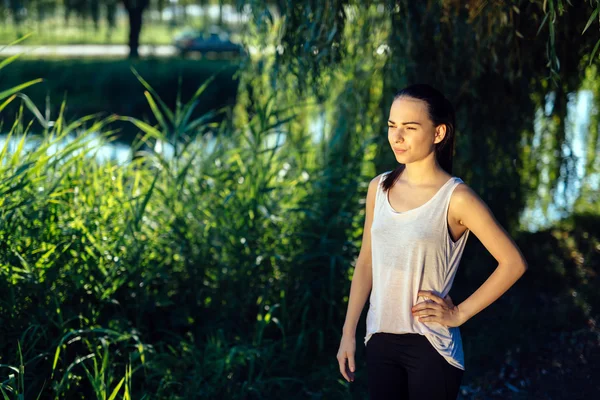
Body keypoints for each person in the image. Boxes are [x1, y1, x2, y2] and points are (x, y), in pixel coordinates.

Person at [336, 84, 528, 399]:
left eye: (409, 128)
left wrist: (460, 314)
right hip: (379, 338)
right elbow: (366, 262)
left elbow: (513, 263)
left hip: (431, 347)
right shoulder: (378, 188)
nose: (397, 137)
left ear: (438, 133)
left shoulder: (457, 198)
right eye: (391, 126)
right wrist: (348, 333)